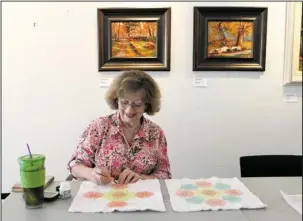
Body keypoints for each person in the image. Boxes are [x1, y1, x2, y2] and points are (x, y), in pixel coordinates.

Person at [67, 70, 171, 185]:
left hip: (143, 197)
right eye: (124, 102)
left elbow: (164, 174)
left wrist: (141, 178)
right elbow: (75, 165)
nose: (129, 110)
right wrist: (92, 174)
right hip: (103, 196)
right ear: (116, 100)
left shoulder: (156, 133)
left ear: (147, 105)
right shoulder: (100, 126)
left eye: (137, 104)